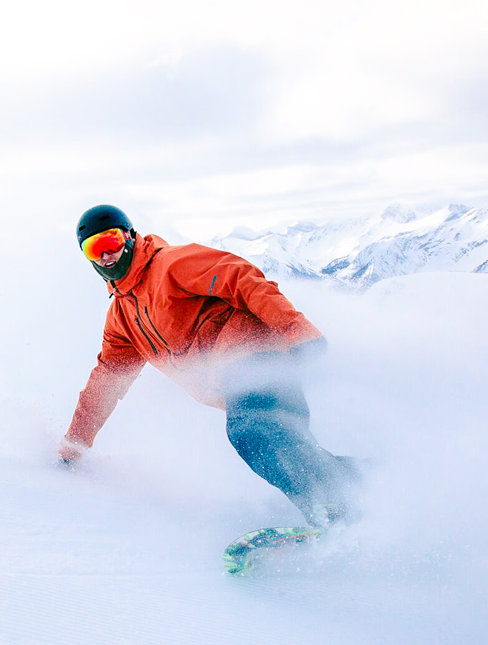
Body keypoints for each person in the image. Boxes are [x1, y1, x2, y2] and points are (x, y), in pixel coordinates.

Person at [59, 204, 359, 528]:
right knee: (281, 445)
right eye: (95, 248)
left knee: (251, 432)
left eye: (112, 242)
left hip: (255, 356)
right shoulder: (121, 318)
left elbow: (239, 277)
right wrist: (75, 443)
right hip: (234, 384)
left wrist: (296, 329)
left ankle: (337, 514)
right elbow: (106, 380)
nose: (106, 256)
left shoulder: (170, 265)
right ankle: (374, 485)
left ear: (130, 237)